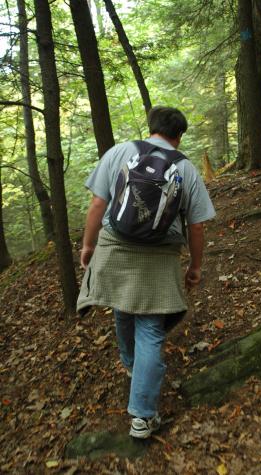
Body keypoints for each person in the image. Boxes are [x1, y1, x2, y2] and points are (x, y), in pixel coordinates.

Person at [77, 106, 216, 439]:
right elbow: (196, 225)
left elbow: (98, 204)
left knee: (123, 306)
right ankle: (142, 417)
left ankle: (130, 363)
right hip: (160, 255)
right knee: (151, 328)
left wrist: (88, 245)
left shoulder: (120, 152)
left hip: (116, 244)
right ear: (179, 135)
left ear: (150, 128)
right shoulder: (185, 168)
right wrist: (195, 267)